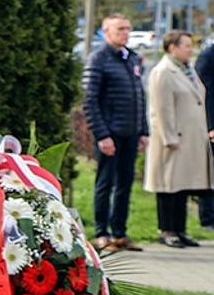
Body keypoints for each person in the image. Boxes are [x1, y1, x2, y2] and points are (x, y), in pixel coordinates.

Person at [83, 14, 148, 252]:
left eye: (128, 29)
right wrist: (102, 135)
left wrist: (143, 131)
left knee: (125, 184)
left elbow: (139, 96)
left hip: (130, 132)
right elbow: (89, 100)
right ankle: (102, 233)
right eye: (120, 29)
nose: (126, 33)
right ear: (106, 31)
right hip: (109, 133)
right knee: (105, 183)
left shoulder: (131, 58)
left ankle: (120, 233)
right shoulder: (98, 59)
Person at [146, 31, 214, 247]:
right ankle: (167, 230)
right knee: (168, 186)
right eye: (185, 45)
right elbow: (161, 108)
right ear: (172, 47)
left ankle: (180, 229)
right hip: (173, 139)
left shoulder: (187, 70)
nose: (190, 49)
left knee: (182, 186)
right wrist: (169, 137)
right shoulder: (164, 72)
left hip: (190, 138)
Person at [195, 38, 214, 231]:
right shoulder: (207, 57)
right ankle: (208, 217)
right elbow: (206, 95)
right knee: (209, 172)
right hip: (211, 124)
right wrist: (210, 125)